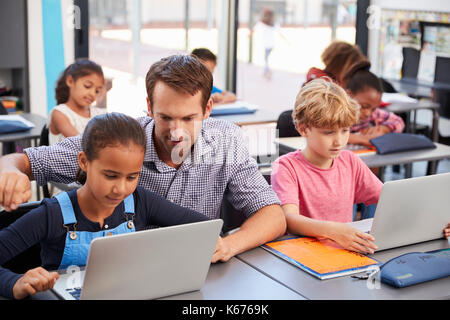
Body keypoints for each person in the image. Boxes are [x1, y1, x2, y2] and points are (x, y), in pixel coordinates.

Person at [0, 54, 286, 263]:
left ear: (208, 108)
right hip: (121, 275)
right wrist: (8, 167)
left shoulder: (226, 141)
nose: (177, 132)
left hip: (195, 274)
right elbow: (25, 162)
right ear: (149, 106)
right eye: (166, 117)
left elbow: (273, 215)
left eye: (189, 118)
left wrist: (227, 246)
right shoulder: (119, 140)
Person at [0, 112, 212, 300]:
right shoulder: (52, 215)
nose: (120, 189)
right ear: (84, 162)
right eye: (110, 176)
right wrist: (14, 283)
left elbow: (205, 229)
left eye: (132, 177)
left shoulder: (141, 202)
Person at [271, 78, 382, 254]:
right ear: (304, 129)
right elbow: (289, 219)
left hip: (343, 250)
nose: (339, 141)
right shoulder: (286, 167)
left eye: (345, 130)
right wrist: (333, 231)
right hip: (303, 254)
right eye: (329, 132)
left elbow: (388, 197)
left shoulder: (350, 161)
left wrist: (438, 218)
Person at [344, 60, 405, 147]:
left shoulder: (373, 114)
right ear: (348, 95)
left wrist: (385, 129)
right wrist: (363, 139)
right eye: (364, 106)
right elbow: (329, 134)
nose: (368, 113)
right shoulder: (336, 113)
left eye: (373, 109)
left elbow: (398, 121)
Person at [49, 59, 107, 145]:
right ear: (70, 81)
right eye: (87, 86)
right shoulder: (59, 114)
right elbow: (80, 143)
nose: (92, 94)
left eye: (97, 91)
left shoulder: (99, 114)